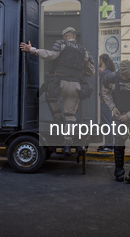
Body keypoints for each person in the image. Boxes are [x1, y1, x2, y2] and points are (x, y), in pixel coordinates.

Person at [20, 27, 95, 156]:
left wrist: (32, 50)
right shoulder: (84, 51)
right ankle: (67, 143)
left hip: (60, 83)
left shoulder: (61, 44)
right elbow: (91, 71)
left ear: (65, 36)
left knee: (50, 95)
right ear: (74, 36)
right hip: (75, 86)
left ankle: (58, 119)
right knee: (71, 115)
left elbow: (51, 55)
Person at [97, 54, 115, 152]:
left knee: (107, 123)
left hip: (105, 101)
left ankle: (109, 145)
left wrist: (102, 98)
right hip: (108, 101)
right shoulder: (108, 72)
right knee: (105, 122)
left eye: (99, 60)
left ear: (102, 60)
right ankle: (107, 143)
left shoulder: (105, 73)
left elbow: (104, 86)